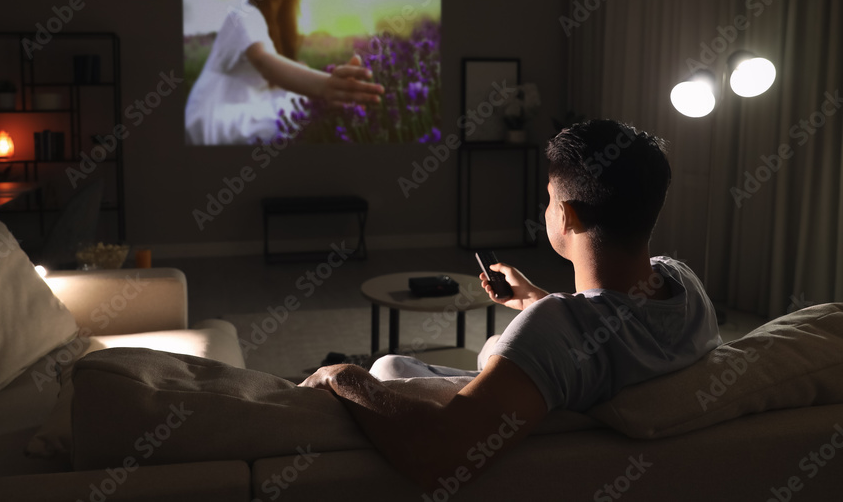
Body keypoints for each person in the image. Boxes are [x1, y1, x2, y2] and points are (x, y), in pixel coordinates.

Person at [300, 119, 722, 490]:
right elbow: (613, 327)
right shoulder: (683, 283)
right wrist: (533, 299)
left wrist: (340, 376)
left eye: (549, 198)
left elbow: (441, 456)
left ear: (568, 216)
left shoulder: (555, 327)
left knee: (387, 367)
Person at [185, 0, 383, 145]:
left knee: (303, 103)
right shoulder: (243, 14)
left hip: (248, 106)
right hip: (215, 118)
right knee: (303, 114)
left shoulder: (276, 26)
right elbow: (264, 62)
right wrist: (326, 86)